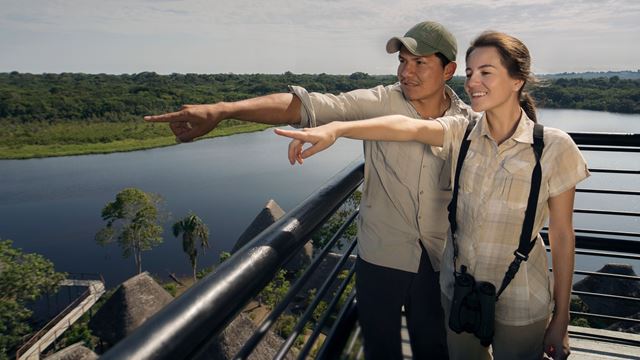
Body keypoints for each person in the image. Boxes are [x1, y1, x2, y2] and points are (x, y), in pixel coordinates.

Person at [145, 21, 470, 359]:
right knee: (381, 349)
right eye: (403, 61)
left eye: (420, 63)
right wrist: (224, 110)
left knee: (435, 347)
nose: (407, 72)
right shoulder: (382, 100)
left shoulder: (466, 120)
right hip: (382, 256)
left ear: (449, 70)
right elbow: (304, 105)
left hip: (438, 258)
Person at [275, 31, 589, 360]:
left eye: (486, 72)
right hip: (461, 295)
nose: (472, 82)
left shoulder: (553, 147)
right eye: (469, 73)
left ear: (517, 80)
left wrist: (562, 319)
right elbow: (405, 126)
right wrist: (336, 128)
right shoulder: (461, 131)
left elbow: (563, 235)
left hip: (523, 298)